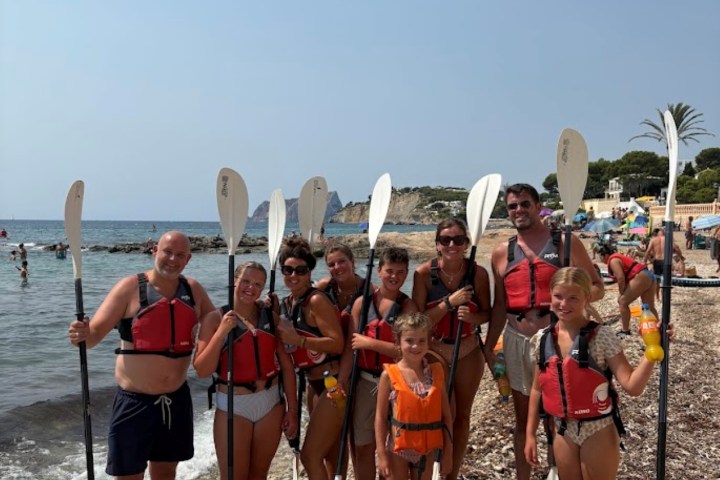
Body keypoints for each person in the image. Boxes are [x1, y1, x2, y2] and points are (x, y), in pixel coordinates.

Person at [67, 231, 215, 479]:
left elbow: (213, 317)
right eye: (167, 252)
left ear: (188, 259)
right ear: (154, 251)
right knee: (128, 476)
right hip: (134, 403)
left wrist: (210, 339)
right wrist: (78, 333)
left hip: (176, 401)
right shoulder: (129, 288)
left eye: (180, 255)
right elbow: (91, 338)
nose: (172, 259)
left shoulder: (193, 289)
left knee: (166, 473)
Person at [486, 183, 604, 480]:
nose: (519, 210)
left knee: (558, 414)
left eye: (525, 204)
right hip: (515, 340)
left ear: (538, 207)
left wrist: (575, 301)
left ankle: (558, 471)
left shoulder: (566, 243)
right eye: (513, 206)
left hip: (556, 339)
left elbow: (598, 286)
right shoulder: (501, 253)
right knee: (522, 417)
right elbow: (500, 305)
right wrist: (488, 347)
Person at [525, 267, 669, 479]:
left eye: (573, 298)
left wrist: (652, 352)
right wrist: (530, 435)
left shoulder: (601, 337)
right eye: (558, 296)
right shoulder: (542, 339)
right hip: (563, 430)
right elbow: (537, 390)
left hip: (598, 428)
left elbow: (632, 386)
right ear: (550, 295)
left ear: (588, 298)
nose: (564, 304)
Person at [194, 261, 298, 480]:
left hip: (270, 402)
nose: (251, 288)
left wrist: (292, 409)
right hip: (234, 404)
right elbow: (203, 370)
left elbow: (287, 367)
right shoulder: (215, 318)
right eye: (246, 281)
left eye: (258, 284)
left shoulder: (270, 317)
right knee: (233, 476)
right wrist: (222, 332)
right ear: (234, 282)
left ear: (263, 289)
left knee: (259, 475)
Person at [412, 217, 491, 480]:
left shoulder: (477, 273)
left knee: (462, 417)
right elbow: (418, 321)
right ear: (437, 245)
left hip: (467, 348)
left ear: (467, 243)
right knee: (444, 413)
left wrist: (472, 317)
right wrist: (449, 302)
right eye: (445, 240)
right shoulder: (424, 274)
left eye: (458, 239)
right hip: (435, 349)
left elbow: (487, 314)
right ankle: (433, 468)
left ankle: (452, 473)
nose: (452, 244)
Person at [339, 247, 418, 480]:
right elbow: (349, 348)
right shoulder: (361, 305)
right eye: (389, 271)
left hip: (397, 384)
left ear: (406, 274)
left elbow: (411, 354)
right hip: (365, 382)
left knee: (395, 447)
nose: (394, 277)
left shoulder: (407, 308)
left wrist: (371, 344)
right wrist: (342, 379)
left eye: (401, 272)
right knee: (363, 445)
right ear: (379, 271)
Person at [274, 237, 346, 479]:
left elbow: (337, 343)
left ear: (309, 272)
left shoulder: (316, 300)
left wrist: (300, 341)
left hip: (332, 383)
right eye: (288, 269)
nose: (293, 275)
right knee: (329, 454)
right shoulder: (287, 303)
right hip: (312, 385)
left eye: (301, 270)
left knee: (310, 456)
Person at [375, 312, 453, 480]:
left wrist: (448, 452)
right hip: (398, 450)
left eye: (421, 341)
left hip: (429, 449)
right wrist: (381, 455)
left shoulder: (435, 373)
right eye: (409, 341)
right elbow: (380, 418)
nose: (416, 347)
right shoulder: (388, 376)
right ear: (398, 342)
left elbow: (446, 417)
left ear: (428, 342)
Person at [598, 245, 658, 338]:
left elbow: (621, 278)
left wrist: (621, 293)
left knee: (622, 302)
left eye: (600, 257)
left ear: (605, 255)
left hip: (641, 276)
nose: (601, 259)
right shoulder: (618, 257)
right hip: (648, 275)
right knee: (649, 307)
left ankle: (625, 331)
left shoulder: (613, 260)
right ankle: (657, 331)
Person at [643, 228, 684, 300]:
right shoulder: (667, 239)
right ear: (664, 233)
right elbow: (676, 248)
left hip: (657, 261)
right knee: (666, 279)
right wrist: (681, 256)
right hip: (666, 261)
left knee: (657, 280)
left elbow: (648, 251)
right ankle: (664, 296)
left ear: (657, 234)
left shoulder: (653, 240)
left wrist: (645, 261)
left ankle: (657, 297)